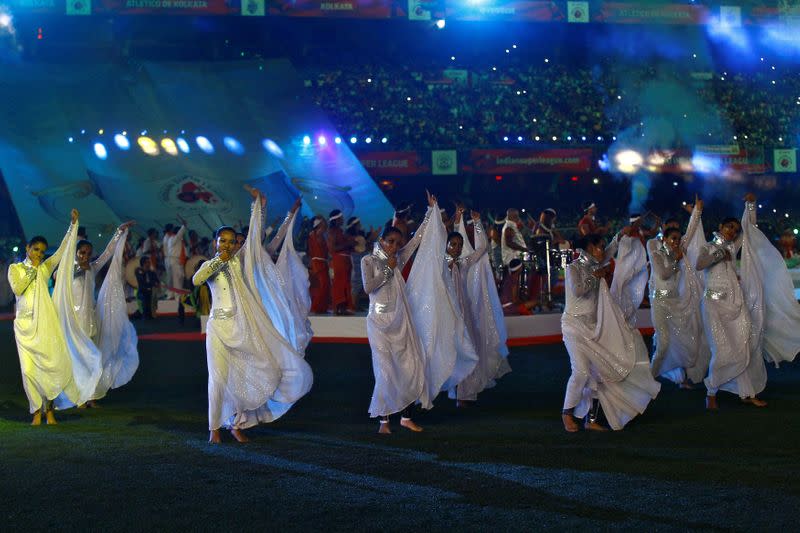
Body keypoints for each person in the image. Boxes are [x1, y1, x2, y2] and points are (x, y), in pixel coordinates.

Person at [192, 187, 313, 444]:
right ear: (215, 243)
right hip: (218, 329)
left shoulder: (242, 260)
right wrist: (218, 260)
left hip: (243, 327)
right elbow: (197, 279)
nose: (227, 245)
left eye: (231, 241)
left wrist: (259, 205)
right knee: (218, 379)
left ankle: (237, 423)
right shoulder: (210, 265)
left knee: (248, 373)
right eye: (222, 241)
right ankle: (214, 428)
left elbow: (258, 231)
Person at [696, 193, 800, 409]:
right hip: (713, 307)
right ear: (720, 227)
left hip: (736, 305)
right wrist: (718, 255)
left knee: (745, 346)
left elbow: (749, 228)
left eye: (734, 229)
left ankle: (747, 391)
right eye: (729, 227)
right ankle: (711, 392)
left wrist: (750, 205)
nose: (733, 231)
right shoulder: (708, 247)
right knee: (722, 350)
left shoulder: (733, 247)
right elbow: (700, 264)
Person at [561, 232, 661, 432]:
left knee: (600, 373)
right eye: (599, 247)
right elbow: (578, 290)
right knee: (580, 371)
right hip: (574, 327)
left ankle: (591, 420)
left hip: (594, 329)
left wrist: (618, 237)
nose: (602, 251)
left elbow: (607, 254)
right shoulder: (573, 267)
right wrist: (595, 276)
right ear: (589, 248)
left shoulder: (595, 265)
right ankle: (567, 414)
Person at [362, 192, 437, 434]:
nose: (395, 246)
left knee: (409, 366)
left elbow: (416, 242)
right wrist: (387, 271)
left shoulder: (399, 257)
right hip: (379, 323)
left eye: (397, 243)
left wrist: (429, 213)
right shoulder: (369, 261)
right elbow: (368, 288)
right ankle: (384, 421)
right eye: (390, 242)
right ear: (381, 240)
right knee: (384, 370)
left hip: (401, 321)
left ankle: (406, 417)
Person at [9, 209, 81, 425]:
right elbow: (18, 289)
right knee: (29, 371)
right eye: (35, 250)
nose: (39, 254)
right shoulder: (16, 268)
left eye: (41, 251)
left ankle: (49, 410)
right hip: (24, 327)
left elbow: (60, 252)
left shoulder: (46, 267)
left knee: (49, 367)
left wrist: (72, 226)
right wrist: (33, 269)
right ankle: (36, 411)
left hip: (45, 326)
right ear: (28, 249)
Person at [71, 221, 139, 405]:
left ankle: (91, 395)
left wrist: (119, 232)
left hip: (91, 320)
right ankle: (80, 395)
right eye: (81, 252)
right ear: (76, 253)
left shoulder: (92, 268)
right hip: (75, 323)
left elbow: (108, 253)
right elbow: (57, 280)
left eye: (88, 253)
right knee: (80, 360)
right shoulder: (68, 271)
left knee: (94, 360)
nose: (85, 256)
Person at [451, 208, 511, 405]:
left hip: (464, 314)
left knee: (468, 351)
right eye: (453, 244)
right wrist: (457, 221)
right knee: (452, 353)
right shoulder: (440, 264)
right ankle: (453, 390)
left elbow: (482, 247)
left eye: (459, 245)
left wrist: (477, 223)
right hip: (449, 315)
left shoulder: (464, 262)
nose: (457, 248)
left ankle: (464, 394)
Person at [648, 199, 710, 387]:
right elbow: (664, 274)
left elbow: (690, 232)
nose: (676, 241)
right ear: (664, 237)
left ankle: (681, 376)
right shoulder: (655, 249)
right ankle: (649, 377)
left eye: (678, 237)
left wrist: (697, 212)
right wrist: (675, 260)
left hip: (676, 304)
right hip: (659, 302)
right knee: (664, 343)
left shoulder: (679, 249)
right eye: (672, 237)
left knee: (685, 342)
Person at [327, 209, 356, 315]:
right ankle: (339, 308)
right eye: (341, 218)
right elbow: (332, 248)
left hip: (344, 261)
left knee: (345, 284)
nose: (343, 219)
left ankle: (344, 307)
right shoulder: (332, 232)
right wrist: (348, 244)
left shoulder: (339, 231)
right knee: (340, 284)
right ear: (336, 219)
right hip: (339, 261)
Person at [306, 215, 331, 314]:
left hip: (319, 262)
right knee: (323, 285)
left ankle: (320, 308)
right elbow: (325, 227)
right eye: (321, 224)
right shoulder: (316, 234)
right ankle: (317, 308)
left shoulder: (313, 234)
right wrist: (323, 219)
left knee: (322, 285)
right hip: (318, 263)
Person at [163, 220, 187, 299]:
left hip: (173, 261)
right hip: (174, 261)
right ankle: (178, 297)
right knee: (177, 279)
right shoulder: (174, 238)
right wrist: (184, 226)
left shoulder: (171, 238)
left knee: (174, 279)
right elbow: (180, 234)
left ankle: (172, 295)